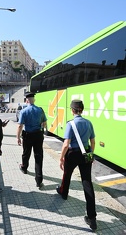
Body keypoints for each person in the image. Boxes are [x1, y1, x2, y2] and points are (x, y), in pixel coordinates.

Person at [56, 99, 97, 231]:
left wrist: (61, 158)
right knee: (87, 183)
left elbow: (66, 144)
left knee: (67, 175)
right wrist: (90, 153)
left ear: (72, 110)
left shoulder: (70, 124)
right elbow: (93, 142)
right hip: (85, 154)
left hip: (72, 154)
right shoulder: (88, 123)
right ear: (82, 110)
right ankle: (92, 218)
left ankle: (64, 193)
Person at [17, 91, 47, 188]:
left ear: (26, 101)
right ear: (34, 100)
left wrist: (18, 137)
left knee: (26, 153)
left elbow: (20, 126)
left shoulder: (23, 111)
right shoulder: (40, 110)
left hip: (27, 135)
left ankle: (24, 167)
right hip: (38, 135)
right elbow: (44, 123)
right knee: (38, 157)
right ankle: (39, 180)